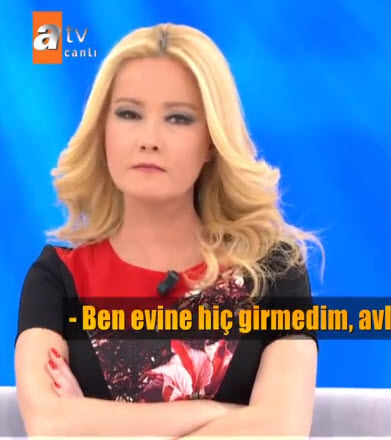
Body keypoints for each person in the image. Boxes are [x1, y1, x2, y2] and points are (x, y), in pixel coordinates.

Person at [15, 23, 320, 438]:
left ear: (211, 141)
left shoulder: (273, 271)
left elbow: (281, 426)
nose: (149, 139)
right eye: (129, 114)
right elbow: (50, 424)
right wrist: (221, 413)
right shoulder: (57, 278)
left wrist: (95, 423)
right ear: (103, 130)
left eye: (178, 118)